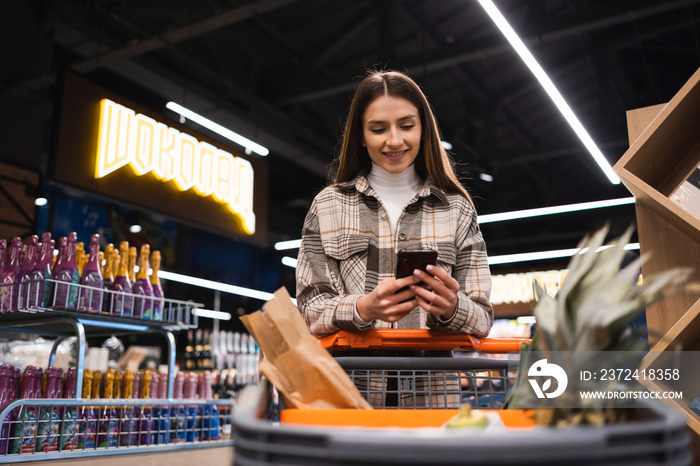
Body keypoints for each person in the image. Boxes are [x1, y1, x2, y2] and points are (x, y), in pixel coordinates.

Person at [296, 69, 494, 339]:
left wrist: (452, 307)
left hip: (431, 379)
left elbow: (483, 318)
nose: (395, 140)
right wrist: (364, 308)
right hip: (353, 380)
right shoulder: (328, 206)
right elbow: (309, 310)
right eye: (378, 129)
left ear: (423, 129)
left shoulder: (456, 209)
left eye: (407, 125)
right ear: (360, 137)